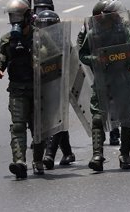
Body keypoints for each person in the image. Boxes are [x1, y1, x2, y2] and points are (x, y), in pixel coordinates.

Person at [79, 0, 130, 171]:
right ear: (102, 17)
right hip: (102, 81)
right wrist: (96, 60)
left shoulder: (123, 30)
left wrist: (123, 56)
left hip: (122, 78)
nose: (116, 16)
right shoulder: (93, 34)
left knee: (126, 117)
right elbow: (82, 55)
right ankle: (97, 154)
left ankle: (125, 155)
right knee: (98, 117)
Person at [0, 0, 45, 179]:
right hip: (17, 89)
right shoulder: (7, 39)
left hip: (38, 89)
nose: (15, 20)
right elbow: (2, 57)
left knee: (38, 127)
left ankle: (38, 160)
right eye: (12, 16)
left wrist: (39, 59)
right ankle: (20, 162)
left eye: (18, 16)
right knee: (17, 126)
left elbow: (54, 57)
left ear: (27, 17)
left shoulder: (39, 36)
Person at [37, 10, 76, 170]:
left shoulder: (63, 41)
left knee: (56, 117)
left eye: (49, 25)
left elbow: (71, 60)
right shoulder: (35, 40)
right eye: (42, 25)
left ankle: (49, 155)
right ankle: (68, 153)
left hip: (59, 82)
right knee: (51, 119)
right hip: (41, 84)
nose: (45, 28)